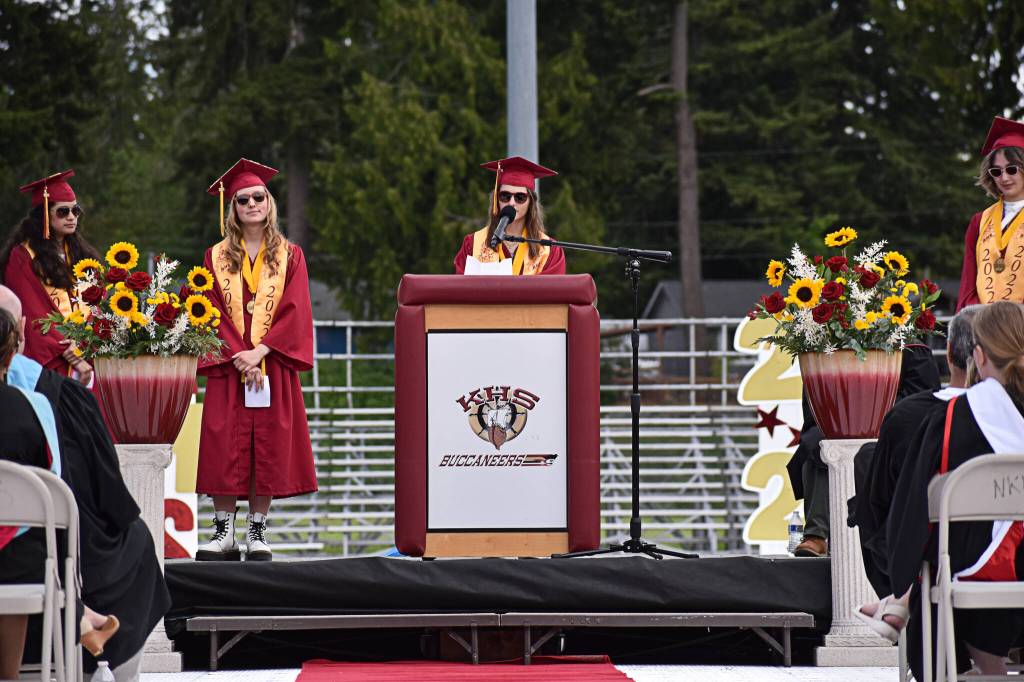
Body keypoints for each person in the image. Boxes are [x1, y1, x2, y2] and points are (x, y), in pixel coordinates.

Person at [0, 285, 168, 677]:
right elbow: (71, 489)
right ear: (20, 334)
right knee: (131, 540)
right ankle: (82, 628)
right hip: (34, 571)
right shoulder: (45, 402)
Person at [885, 301, 1024, 678]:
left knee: (936, 554)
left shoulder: (949, 419)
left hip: (969, 570)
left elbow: (913, 507)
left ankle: (904, 606)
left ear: (977, 356)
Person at [195, 158, 316, 561]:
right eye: (243, 199)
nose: (251, 204)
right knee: (222, 444)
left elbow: (296, 309)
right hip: (230, 367)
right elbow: (205, 309)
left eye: (258, 197)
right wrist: (238, 356)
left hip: (272, 364)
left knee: (267, 445)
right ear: (232, 208)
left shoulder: (290, 255)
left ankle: (257, 531)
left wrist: (261, 352)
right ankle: (223, 531)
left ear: (269, 202)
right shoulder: (213, 257)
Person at [851, 306, 979, 601]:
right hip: (1009, 558)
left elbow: (878, 508)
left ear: (948, 353)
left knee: (868, 474)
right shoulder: (1014, 416)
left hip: (932, 561)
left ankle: (900, 604)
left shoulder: (910, 416)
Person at [787, 344, 941, 557]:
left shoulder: (908, 345)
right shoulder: (830, 344)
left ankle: (886, 536)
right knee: (817, 441)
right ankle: (816, 534)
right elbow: (816, 398)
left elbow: (921, 397)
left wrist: (873, 408)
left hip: (889, 423)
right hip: (838, 421)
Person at [0, 170, 99, 385]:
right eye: (63, 211)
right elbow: (31, 312)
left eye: (76, 210)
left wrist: (88, 344)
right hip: (52, 362)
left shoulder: (82, 255)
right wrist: (68, 350)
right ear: (44, 214)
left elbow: (95, 304)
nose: (72, 216)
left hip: (88, 357)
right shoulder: (23, 257)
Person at [453, 156, 566, 275]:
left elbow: (553, 291)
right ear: (496, 199)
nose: (512, 202)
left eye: (520, 197)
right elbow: (461, 290)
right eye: (505, 196)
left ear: (530, 203)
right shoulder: (473, 244)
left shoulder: (548, 250)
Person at [957, 116, 1024, 309]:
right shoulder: (979, 221)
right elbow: (968, 285)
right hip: (983, 326)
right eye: (996, 171)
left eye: (1012, 169)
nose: (1004, 178)